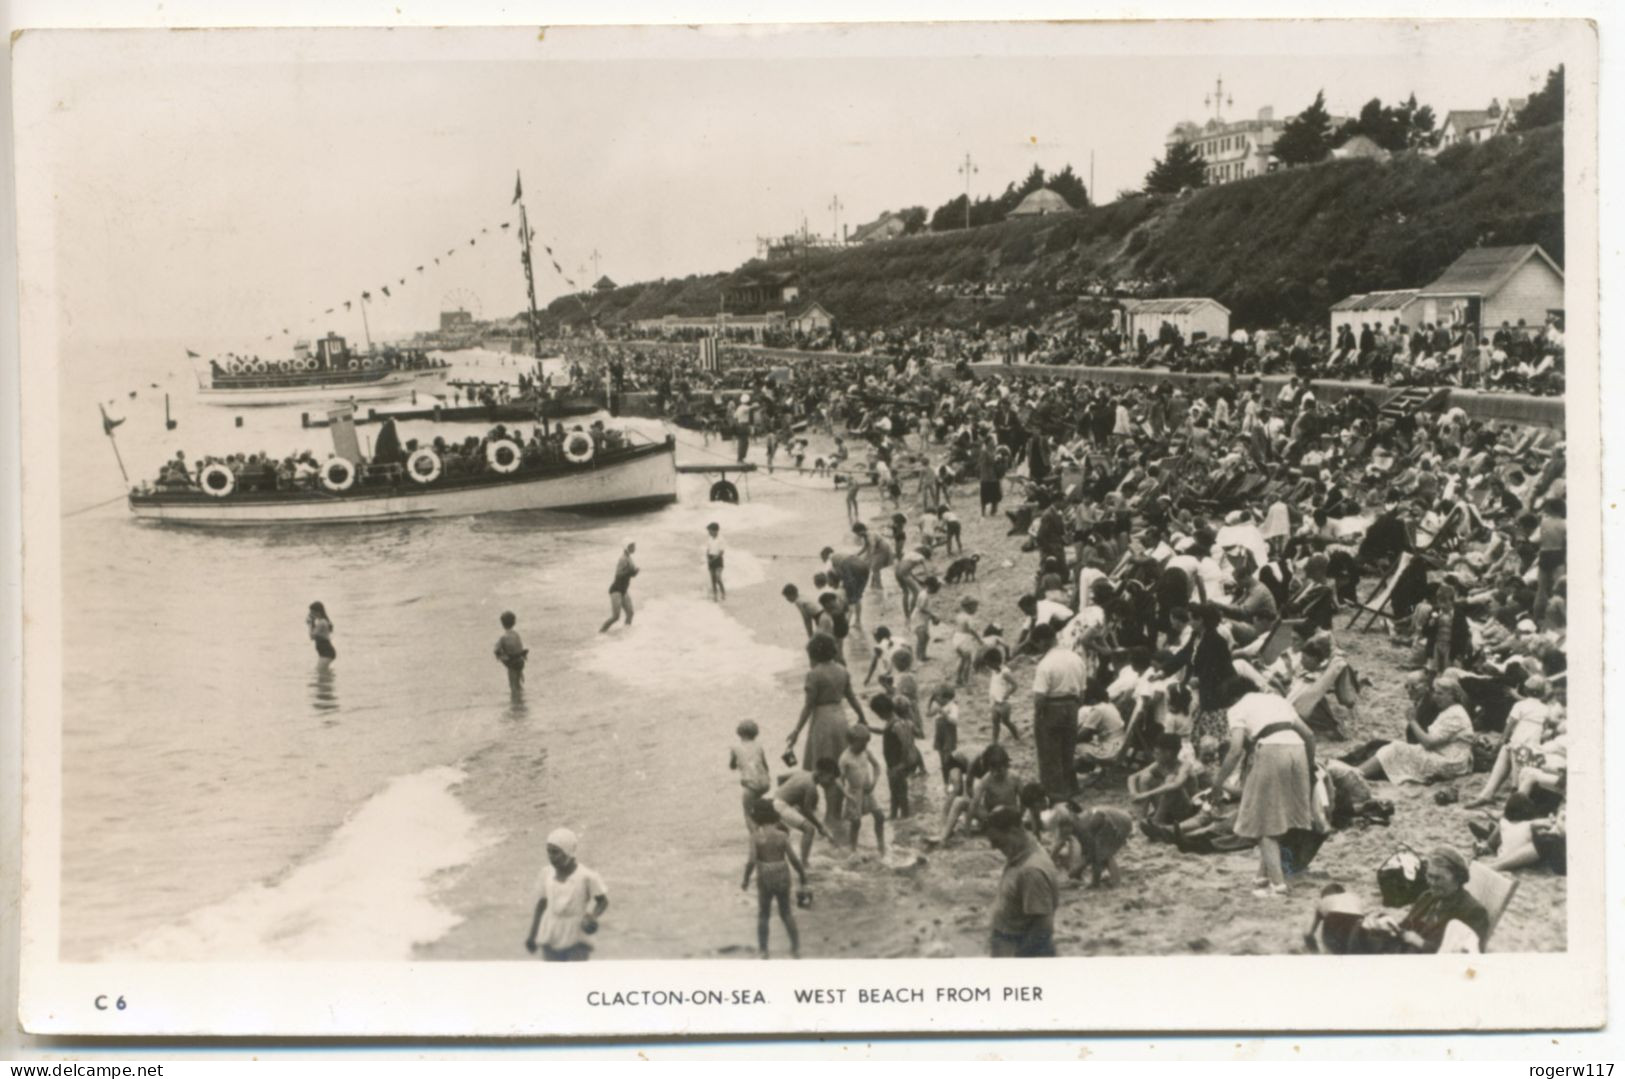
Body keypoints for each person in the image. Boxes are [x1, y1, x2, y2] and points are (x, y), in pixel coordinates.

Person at [1206, 676, 1323, 897]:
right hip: (1297, 749)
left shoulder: (1238, 708)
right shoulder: (1277, 700)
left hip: (1271, 750)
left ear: (1232, 697)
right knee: (1277, 819)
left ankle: (1278, 886)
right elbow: (1309, 735)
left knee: (1263, 823)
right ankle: (1263, 876)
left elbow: (1235, 750)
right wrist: (1308, 767)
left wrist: (1218, 782)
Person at [785, 634, 867, 826]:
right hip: (840, 719)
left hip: (822, 722)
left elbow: (808, 706)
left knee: (821, 769)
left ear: (813, 654)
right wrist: (861, 717)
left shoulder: (814, 674)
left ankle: (825, 816)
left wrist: (796, 730)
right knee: (837, 768)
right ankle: (835, 813)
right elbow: (852, 698)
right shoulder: (842, 670)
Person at [1357, 673, 1476, 786]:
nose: (1435, 697)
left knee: (1394, 749)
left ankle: (1356, 774)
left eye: (1440, 694)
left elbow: (1428, 743)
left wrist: (1412, 721)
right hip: (1446, 756)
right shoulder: (1450, 710)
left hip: (1450, 762)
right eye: (1435, 693)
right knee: (1392, 749)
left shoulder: (1455, 714)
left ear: (1453, 696)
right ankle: (1359, 772)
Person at [524, 827, 609, 962]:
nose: (551, 857)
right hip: (551, 933)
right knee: (552, 978)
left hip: (576, 935)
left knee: (575, 978)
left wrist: (593, 916)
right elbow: (542, 904)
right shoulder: (546, 873)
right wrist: (532, 935)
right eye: (549, 852)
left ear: (568, 851)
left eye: (556, 852)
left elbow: (602, 900)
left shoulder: (586, 876)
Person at [986, 805, 1061, 957]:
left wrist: (1019, 959)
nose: (994, 847)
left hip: (1020, 949)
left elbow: (1044, 926)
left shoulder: (1031, 871)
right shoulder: (1022, 853)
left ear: (1014, 832)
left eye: (997, 841)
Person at [741, 801, 807, 959]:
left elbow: (751, 860)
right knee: (786, 913)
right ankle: (795, 948)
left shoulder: (756, 836)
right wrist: (803, 876)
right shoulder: (782, 835)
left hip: (765, 874)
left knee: (764, 914)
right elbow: (794, 859)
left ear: (756, 817)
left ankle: (764, 951)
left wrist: (745, 879)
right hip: (782, 872)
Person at [1030, 624, 1087, 800]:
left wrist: (1038, 715)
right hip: (1072, 706)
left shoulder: (1046, 663)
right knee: (1067, 749)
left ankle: (1054, 791)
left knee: (1049, 751)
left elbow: (1039, 697)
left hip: (1052, 706)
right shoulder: (1076, 658)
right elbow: (1083, 692)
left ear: (1043, 641)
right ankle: (1071, 786)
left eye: (1038, 644)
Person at [770, 760, 839, 864]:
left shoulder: (802, 772)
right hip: (781, 806)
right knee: (809, 829)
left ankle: (779, 858)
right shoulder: (811, 787)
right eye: (830, 779)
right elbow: (807, 811)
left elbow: (780, 778)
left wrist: (787, 793)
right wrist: (820, 827)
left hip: (774, 801)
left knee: (785, 832)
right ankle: (804, 862)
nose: (831, 783)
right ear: (822, 773)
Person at [837, 725, 888, 857]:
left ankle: (881, 845)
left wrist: (874, 783)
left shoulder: (866, 752)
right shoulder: (845, 758)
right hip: (854, 792)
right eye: (863, 743)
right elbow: (838, 780)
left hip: (868, 791)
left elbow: (877, 766)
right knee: (856, 822)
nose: (865, 745)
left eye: (867, 742)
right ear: (852, 741)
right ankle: (853, 850)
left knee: (880, 816)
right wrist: (846, 795)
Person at [729, 719, 771, 830]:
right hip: (765, 783)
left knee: (748, 814)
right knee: (758, 808)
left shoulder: (735, 748)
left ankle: (755, 838)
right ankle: (766, 831)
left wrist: (738, 763)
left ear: (739, 733)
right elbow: (766, 766)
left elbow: (732, 766)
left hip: (750, 785)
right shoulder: (759, 746)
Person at [599, 540, 638, 633]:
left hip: (624, 590)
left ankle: (626, 632)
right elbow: (618, 574)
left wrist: (634, 573)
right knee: (616, 617)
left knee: (630, 613)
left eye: (634, 546)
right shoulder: (623, 559)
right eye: (632, 546)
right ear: (626, 547)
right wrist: (631, 572)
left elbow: (630, 574)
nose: (634, 548)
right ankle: (601, 632)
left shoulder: (629, 558)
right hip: (616, 590)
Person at [984, 648, 1020, 743]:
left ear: (995, 662)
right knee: (995, 723)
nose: (988, 666)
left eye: (989, 664)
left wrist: (1007, 694)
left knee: (1006, 722)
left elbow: (1015, 685)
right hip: (995, 702)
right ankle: (994, 741)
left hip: (1004, 703)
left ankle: (1017, 736)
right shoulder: (994, 671)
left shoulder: (1005, 672)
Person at [493, 610, 528, 694]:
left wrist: (500, 656)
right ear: (514, 622)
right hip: (520, 662)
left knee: (513, 685)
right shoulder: (516, 634)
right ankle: (521, 700)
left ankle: (516, 703)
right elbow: (520, 648)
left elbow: (496, 649)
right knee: (518, 683)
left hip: (512, 663)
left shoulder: (503, 637)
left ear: (502, 624)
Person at [307, 601, 336, 668]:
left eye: (312, 612)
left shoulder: (322, 622)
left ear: (318, 612)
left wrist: (310, 624)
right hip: (324, 652)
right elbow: (314, 634)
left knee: (320, 672)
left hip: (327, 652)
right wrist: (312, 623)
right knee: (322, 673)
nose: (310, 614)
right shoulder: (322, 621)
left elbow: (312, 636)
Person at [704, 522, 727, 602]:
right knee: (713, 578)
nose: (709, 532)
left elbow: (721, 553)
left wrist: (712, 559)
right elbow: (708, 549)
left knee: (718, 577)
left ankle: (723, 593)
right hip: (710, 558)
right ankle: (715, 595)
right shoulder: (709, 538)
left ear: (715, 531)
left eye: (710, 531)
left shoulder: (721, 539)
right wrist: (707, 556)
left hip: (718, 559)